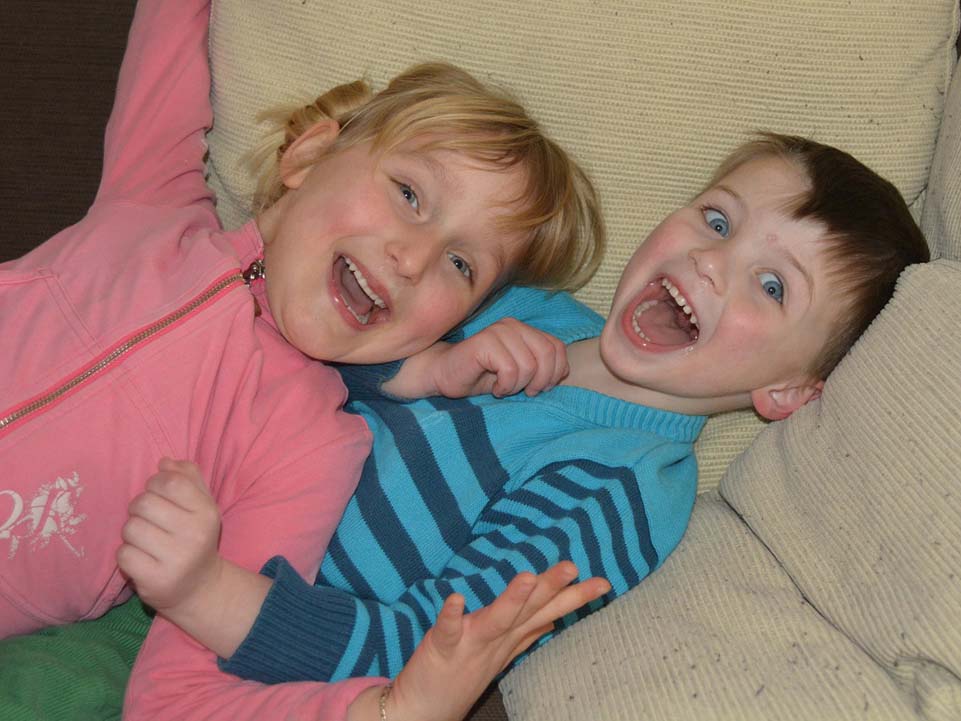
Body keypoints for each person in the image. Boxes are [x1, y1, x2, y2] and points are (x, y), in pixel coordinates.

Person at [101, 129, 929, 713]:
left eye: (772, 286)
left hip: (246, 658)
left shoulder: (623, 488)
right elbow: (321, 353)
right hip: (177, 498)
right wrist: (421, 367)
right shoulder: (527, 306)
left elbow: (431, 650)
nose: (712, 262)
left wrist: (207, 592)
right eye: (717, 219)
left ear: (787, 391)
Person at [0, 0, 611, 719]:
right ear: (310, 155)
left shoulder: (309, 447)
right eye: (409, 194)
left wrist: (382, 710)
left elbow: (176, 698)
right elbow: (166, 33)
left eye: (460, 264)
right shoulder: (153, 199)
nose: (413, 258)